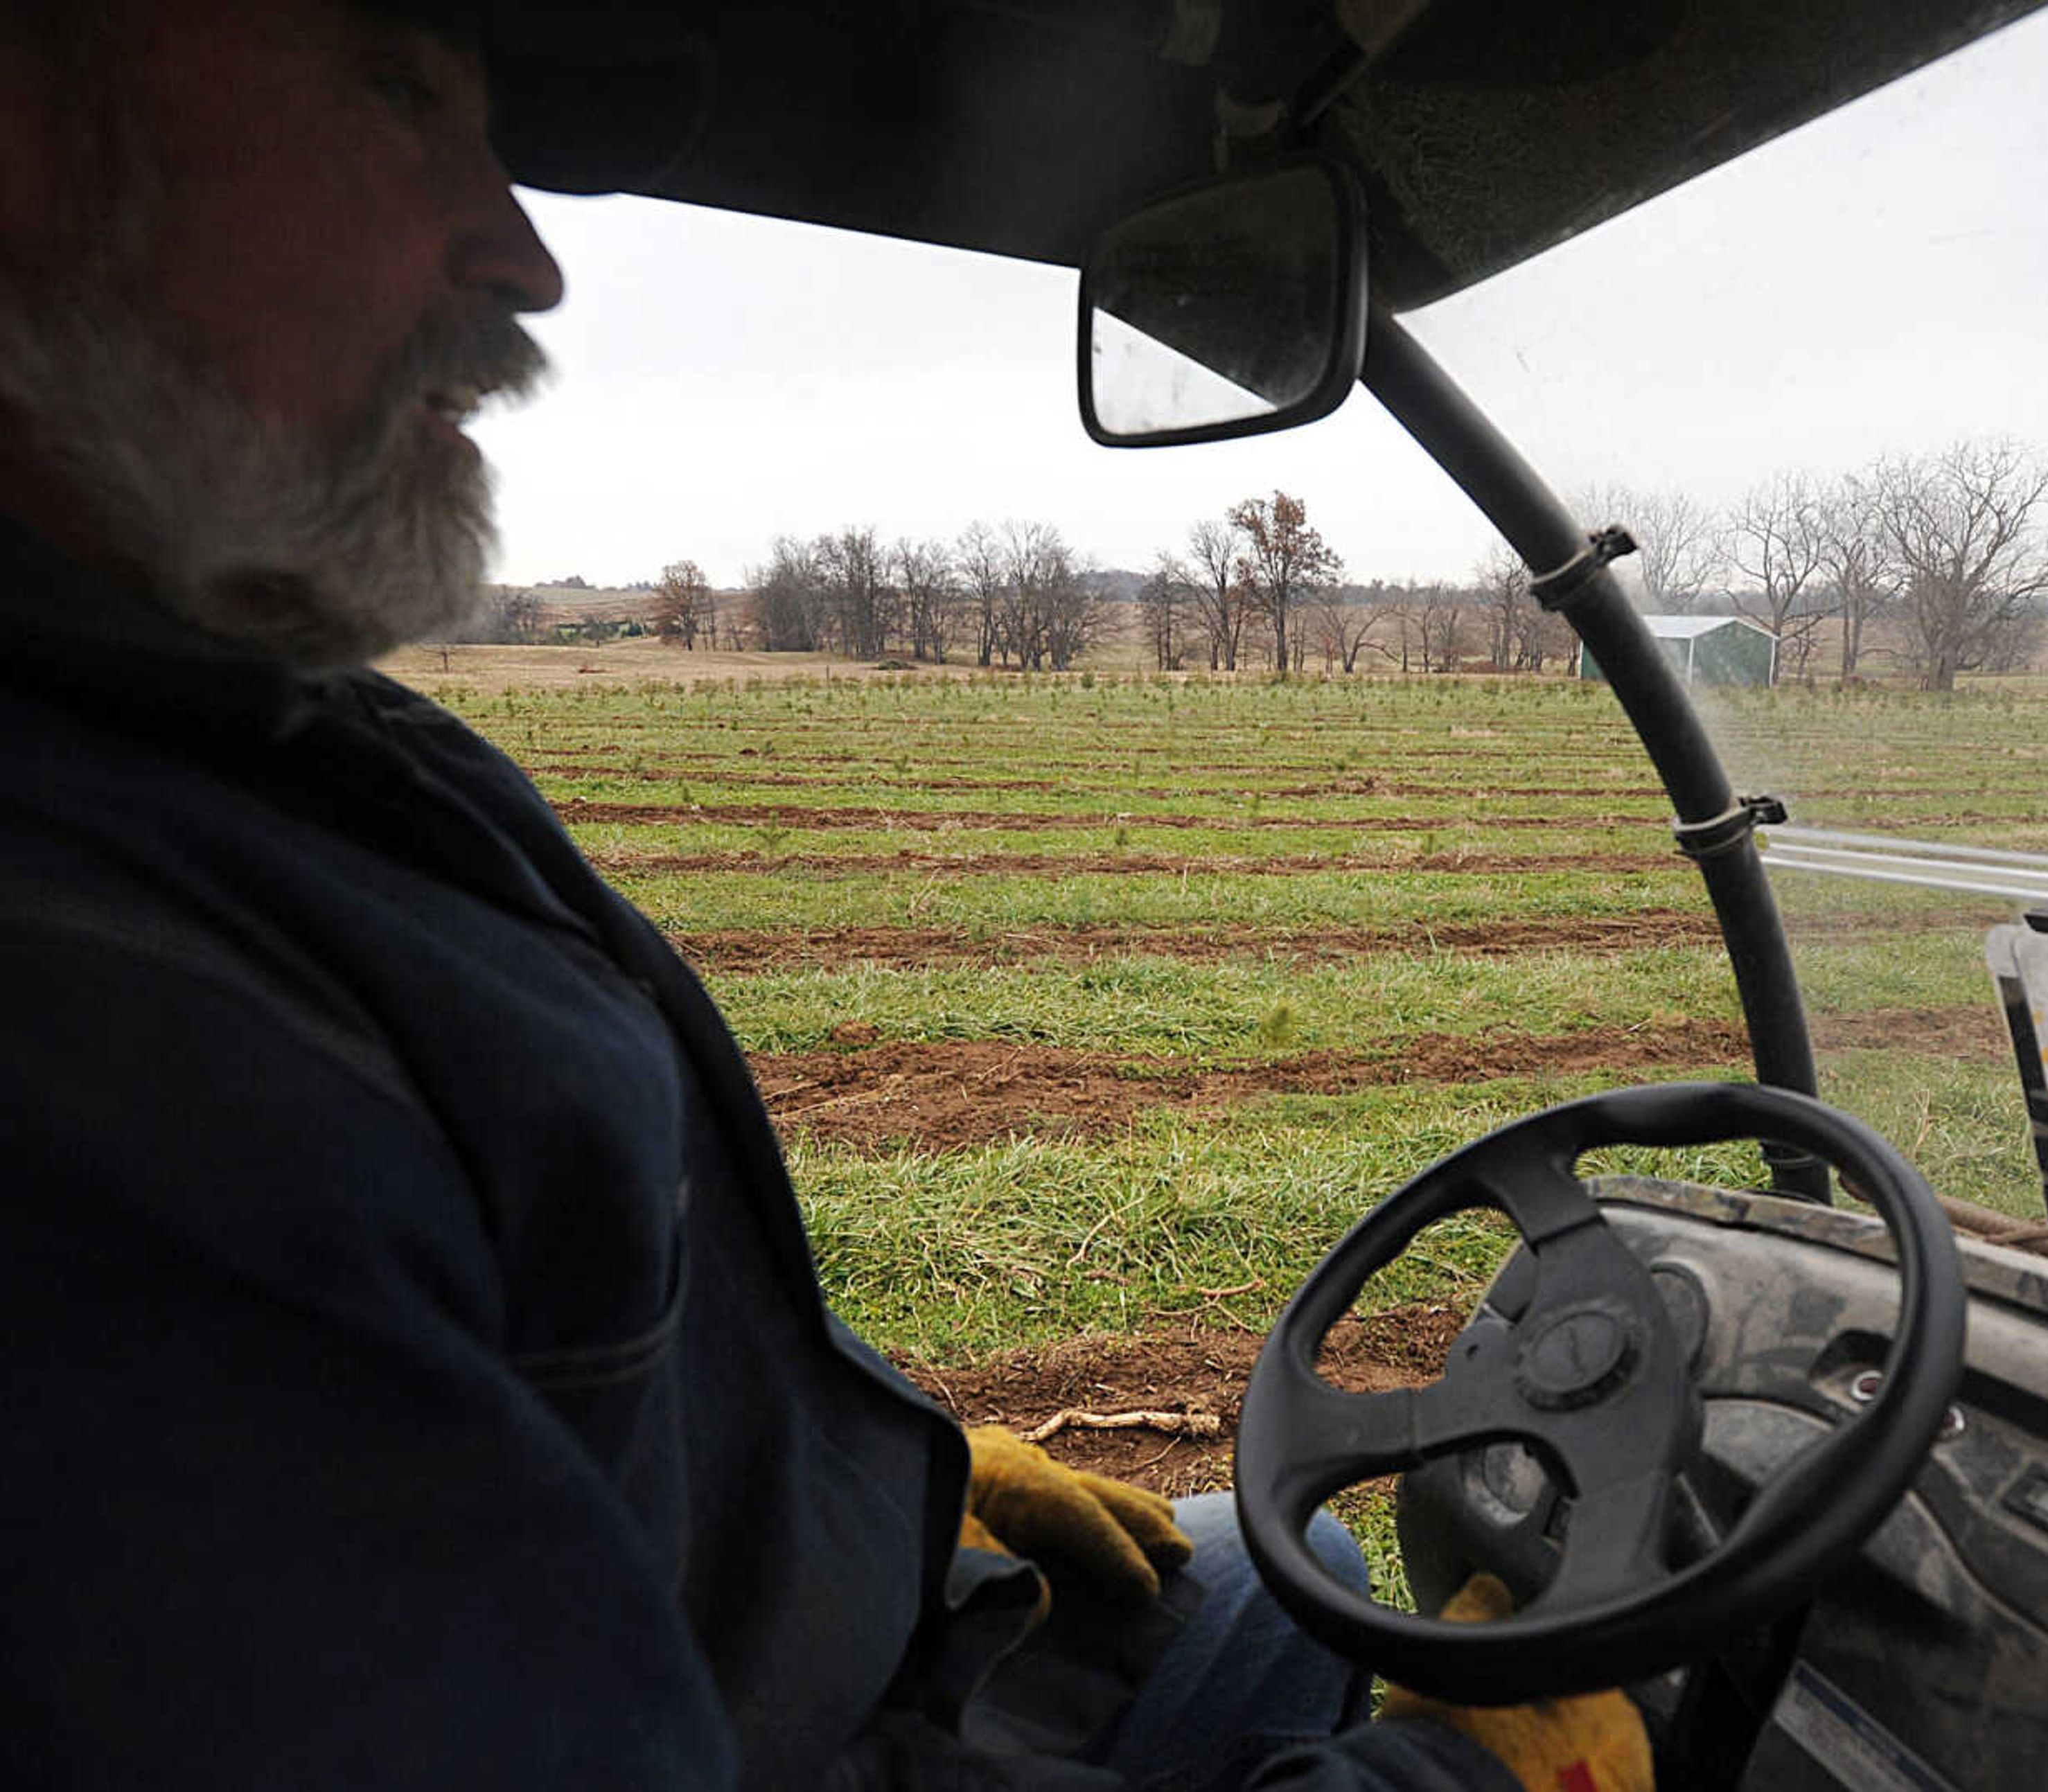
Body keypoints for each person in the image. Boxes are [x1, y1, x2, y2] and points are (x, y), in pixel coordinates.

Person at [0, 3, 1652, 1787]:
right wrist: (1463, 1787)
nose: (530, 257)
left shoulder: (239, 748)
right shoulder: (100, 1037)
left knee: (1302, 1556)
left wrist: (892, 1491)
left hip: (827, 1645)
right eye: (397, 90)